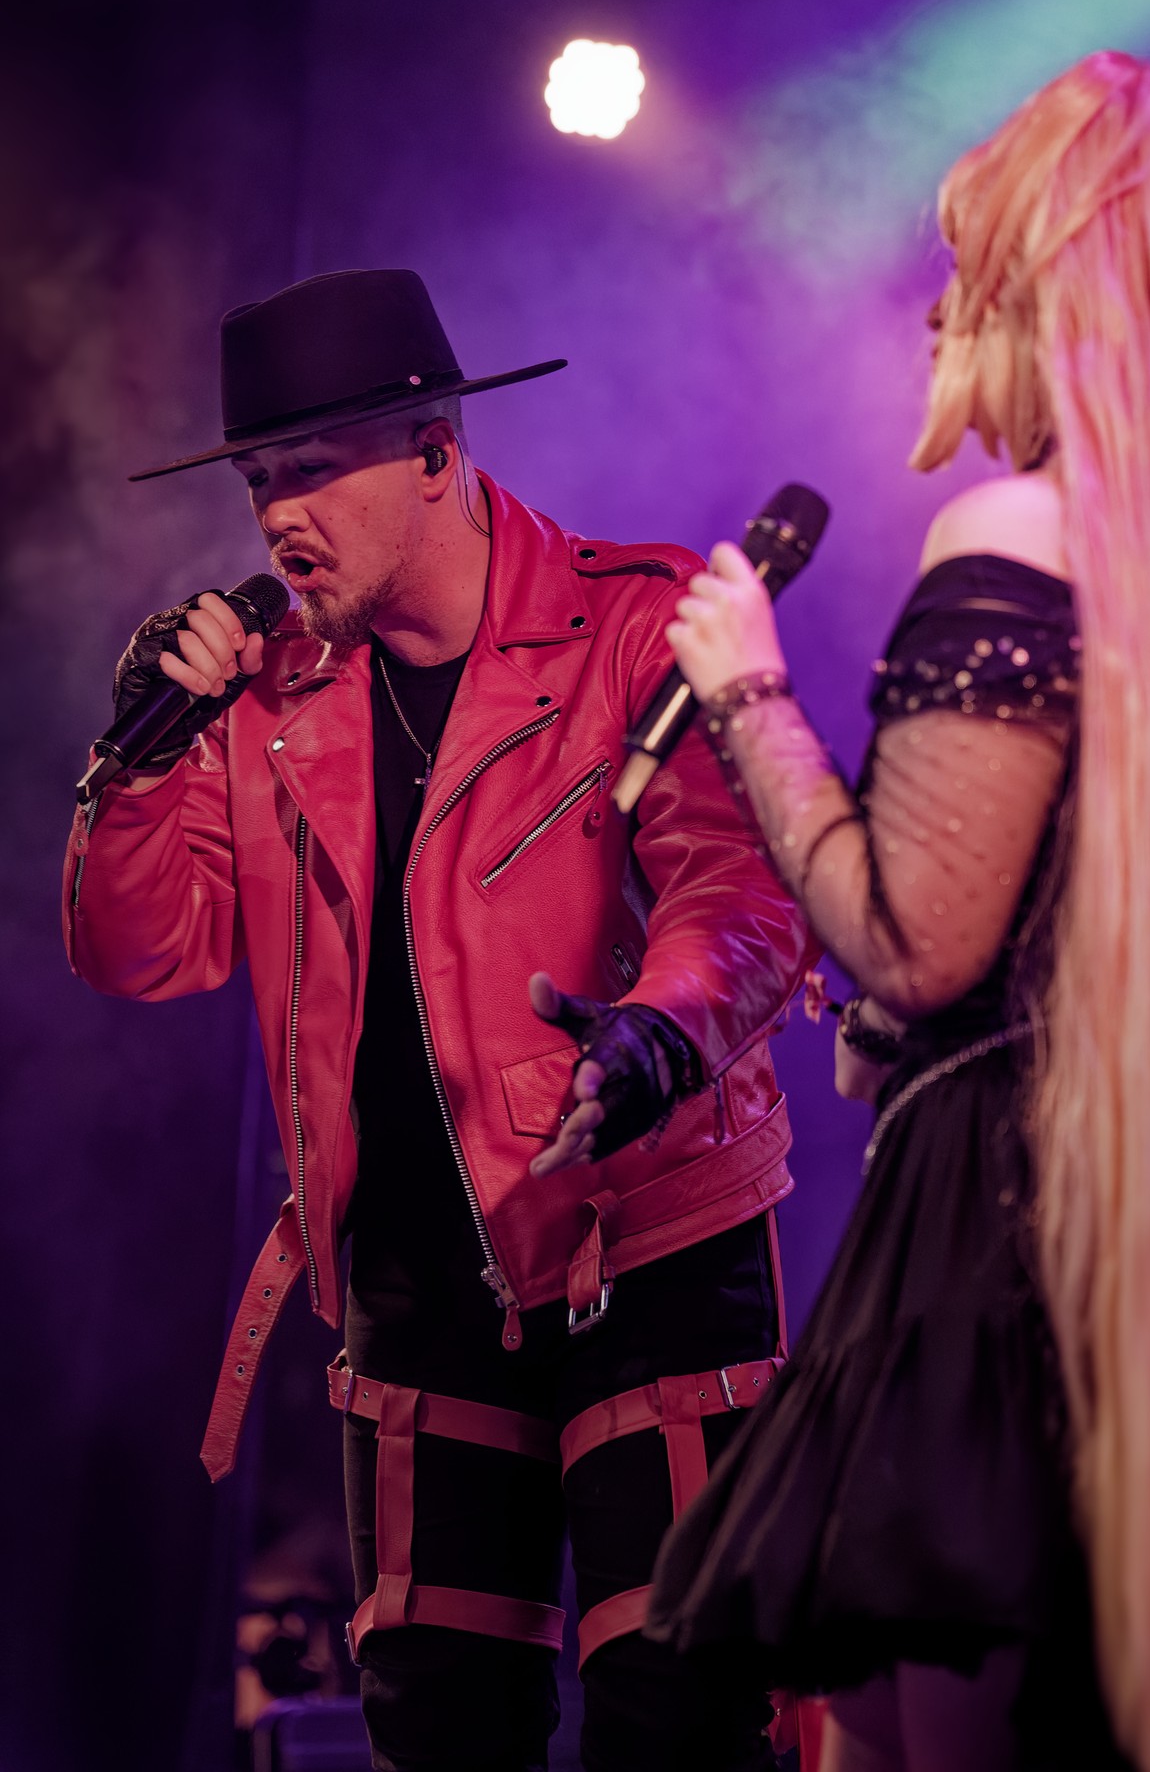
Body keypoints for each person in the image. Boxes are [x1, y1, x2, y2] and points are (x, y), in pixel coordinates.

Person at [62, 267, 811, 1772]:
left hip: (641, 1245)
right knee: (438, 1726)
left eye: (310, 470)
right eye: (258, 480)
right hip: (410, 1280)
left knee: (680, 1713)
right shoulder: (268, 697)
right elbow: (144, 952)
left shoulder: (629, 623)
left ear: (432, 453)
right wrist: (132, 762)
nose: (277, 516)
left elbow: (739, 887)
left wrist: (660, 1034)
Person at [644, 53, 1150, 1772]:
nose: (931, 316)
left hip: (1013, 1217)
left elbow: (917, 939)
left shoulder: (1017, 527)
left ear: (1029, 291)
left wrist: (746, 696)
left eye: (960, 273)